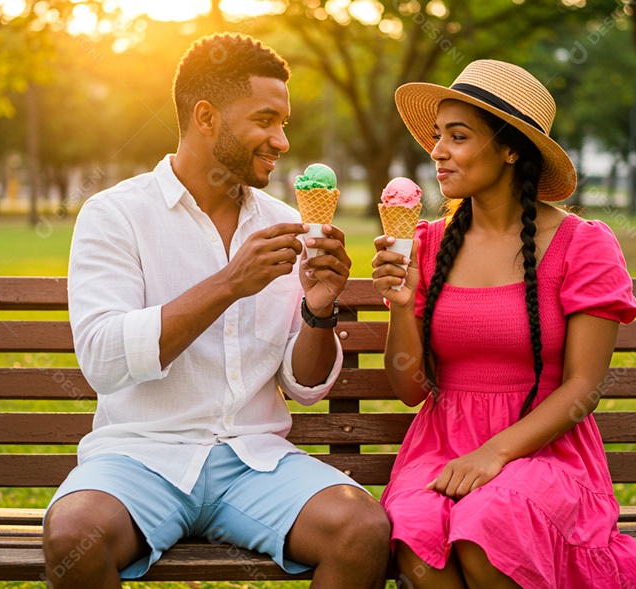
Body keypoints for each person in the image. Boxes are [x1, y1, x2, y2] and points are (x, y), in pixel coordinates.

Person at [43, 33, 390, 589]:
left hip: (255, 462)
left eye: (285, 122)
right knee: (72, 537)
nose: (281, 140)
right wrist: (229, 283)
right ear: (206, 116)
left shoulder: (284, 223)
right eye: (266, 120)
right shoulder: (115, 216)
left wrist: (318, 312)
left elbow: (302, 386)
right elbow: (103, 359)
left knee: (362, 527)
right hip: (140, 458)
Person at [371, 60, 636, 588]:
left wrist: (493, 455)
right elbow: (408, 390)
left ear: (511, 148)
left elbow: (584, 389)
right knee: (420, 538)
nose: (438, 151)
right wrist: (402, 306)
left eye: (458, 136)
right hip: (440, 448)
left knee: (486, 528)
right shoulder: (426, 245)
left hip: (546, 452)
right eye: (437, 136)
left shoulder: (583, 245)